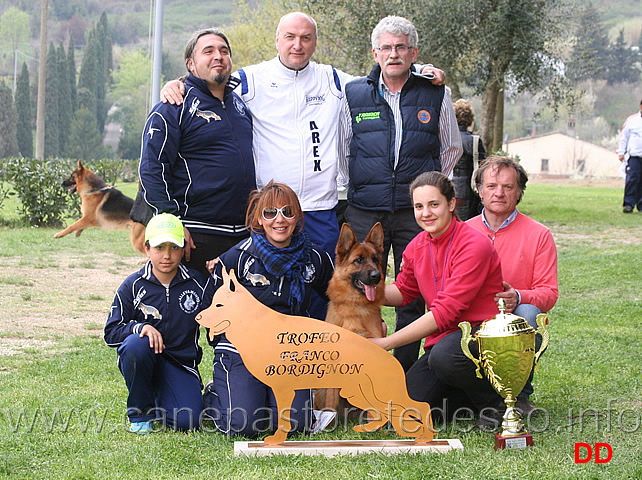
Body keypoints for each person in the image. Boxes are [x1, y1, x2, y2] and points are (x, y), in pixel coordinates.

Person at [159, 12, 445, 278]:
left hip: (320, 209)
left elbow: (384, 77)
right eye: (290, 37)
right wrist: (179, 83)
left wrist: (420, 69)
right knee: (270, 288)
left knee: (321, 288)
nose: (298, 45)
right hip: (272, 210)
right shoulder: (250, 80)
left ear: (315, 42)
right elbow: (210, 78)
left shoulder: (332, 79)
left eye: (306, 38)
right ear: (277, 40)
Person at [342, 15, 463, 373]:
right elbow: (342, 148)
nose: (393, 54)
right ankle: (360, 369)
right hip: (366, 209)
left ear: (413, 52)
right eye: (386, 48)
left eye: (400, 47)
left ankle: (406, 372)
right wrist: (350, 191)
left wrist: (430, 192)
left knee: (413, 293)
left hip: (414, 213)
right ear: (375, 53)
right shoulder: (354, 93)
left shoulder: (435, 92)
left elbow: (451, 148)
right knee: (358, 288)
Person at [369, 171, 503, 425]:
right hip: (443, 345)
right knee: (402, 410)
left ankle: (495, 404)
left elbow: (445, 313)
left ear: (451, 204)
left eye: (434, 204)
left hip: (479, 336)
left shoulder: (474, 244)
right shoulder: (417, 245)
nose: (426, 213)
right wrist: (362, 290)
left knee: (445, 357)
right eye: (419, 206)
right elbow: (404, 292)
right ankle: (468, 399)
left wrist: (386, 343)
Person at [202, 182, 334, 438]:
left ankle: (267, 399)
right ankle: (216, 395)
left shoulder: (315, 258)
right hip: (242, 351)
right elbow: (210, 305)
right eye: (270, 213)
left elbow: (339, 295)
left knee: (295, 426)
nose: (279, 220)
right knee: (244, 426)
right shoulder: (236, 258)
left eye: (287, 211)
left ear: (298, 217)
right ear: (259, 219)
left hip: (290, 352)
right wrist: (228, 343)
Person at [138, 28, 255, 276]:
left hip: (243, 235)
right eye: (208, 51)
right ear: (191, 63)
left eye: (224, 51)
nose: (218, 56)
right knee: (195, 313)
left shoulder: (240, 104)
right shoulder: (173, 107)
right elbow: (152, 168)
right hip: (196, 233)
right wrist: (173, 223)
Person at [104, 213, 214, 433]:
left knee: (188, 423)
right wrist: (140, 327)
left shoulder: (197, 283)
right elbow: (111, 332)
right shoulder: (133, 285)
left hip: (181, 365)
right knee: (136, 344)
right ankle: (141, 414)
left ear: (183, 249)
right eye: (159, 248)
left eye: (174, 248)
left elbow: (216, 325)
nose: (167, 255)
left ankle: (180, 395)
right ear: (146, 249)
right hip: (144, 358)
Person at [467, 155, 558, 415]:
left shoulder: (540, 234)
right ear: (480, 191)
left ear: (519, 193)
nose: (499, 193)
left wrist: (517, 297)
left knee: (529, 313)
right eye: (492, 186)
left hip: (514, 318)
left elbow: (549, 293)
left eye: (508, 187)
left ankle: (519, 395)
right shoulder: (463, 231)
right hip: (473, 317)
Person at [452, 98, 486, 221]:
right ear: (471, 119)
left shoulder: (444, 139)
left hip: (447, 190)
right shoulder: (475, 141)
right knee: (467, 228)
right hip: (469, 192)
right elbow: (483, 169)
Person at [616, 99, 642, 213]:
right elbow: (624, 137)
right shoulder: (632, 121)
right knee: (632, 179)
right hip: (635, 156)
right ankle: (628, 204)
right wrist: (621, 152)